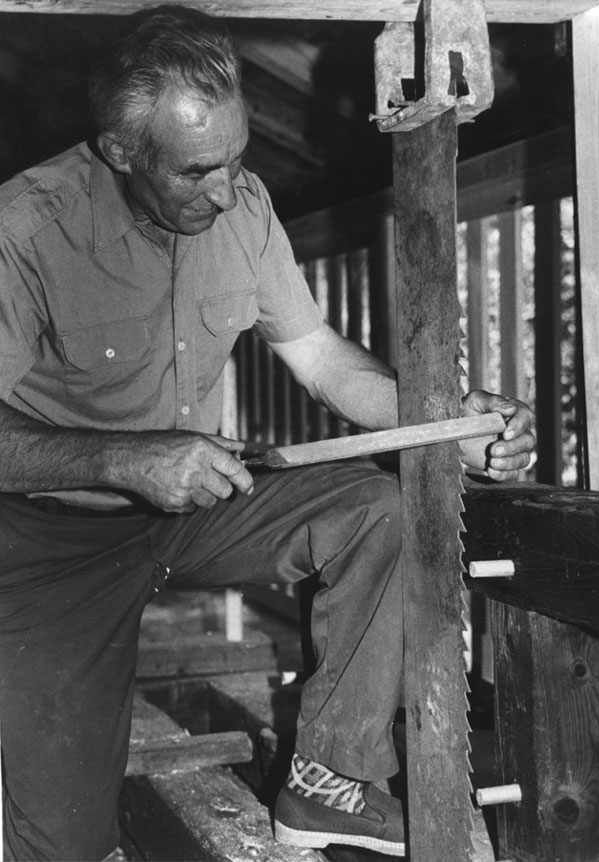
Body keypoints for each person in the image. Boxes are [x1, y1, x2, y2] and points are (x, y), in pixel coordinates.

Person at [0, 7, 535, 860]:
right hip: (53, 540)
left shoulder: (244, 207)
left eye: (239, 159)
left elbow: (321, 358)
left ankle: (327, 780)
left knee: (378, 510)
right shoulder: (26, 227)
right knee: (61, 844)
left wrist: (452, 424)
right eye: (197, 172)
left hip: (204, 504)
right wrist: (124, 459)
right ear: (120, 151)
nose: (225, 192)